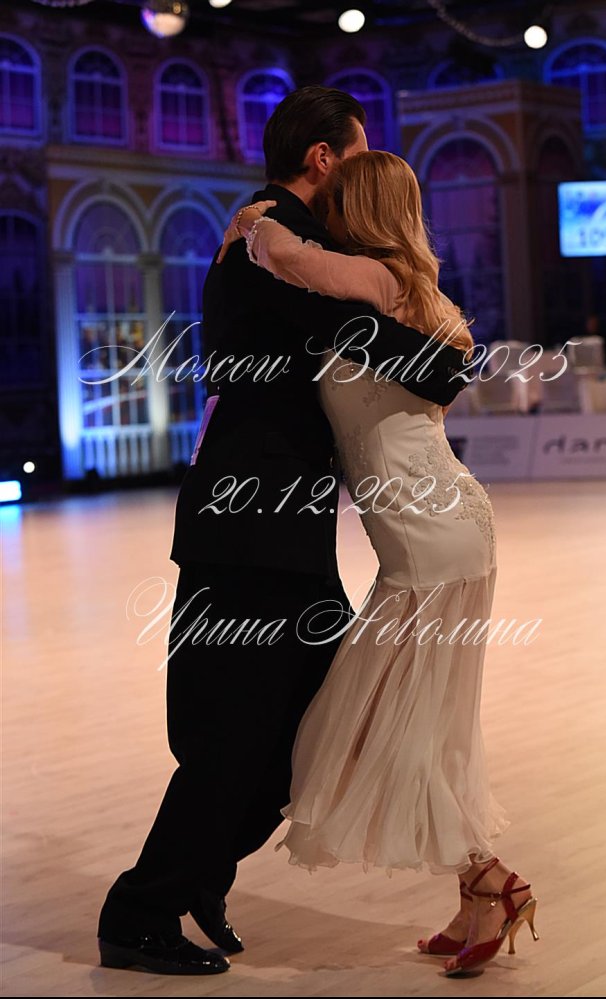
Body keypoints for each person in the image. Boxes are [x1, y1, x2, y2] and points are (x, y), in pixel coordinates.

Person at [96, 87, 469, 976]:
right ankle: (140, 911)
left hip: (278, 528)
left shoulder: (280, 240)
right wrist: (445, 356)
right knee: (236, 736)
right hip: (251, 527)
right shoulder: (272, 246)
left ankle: (197, 874)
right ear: (323, 158)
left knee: (311, 731)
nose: (364, 173)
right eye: (358, 154)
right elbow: (394, 352)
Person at [220, 149, 539, 977]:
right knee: (419, 727)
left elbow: (286, 256)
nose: (322, 213)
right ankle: (478, 891)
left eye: (336, 200)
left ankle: (492, 882)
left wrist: (255, 219)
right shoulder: (411, 291)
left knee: (364, 728)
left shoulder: (375, 281)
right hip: (443, 530)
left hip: (430, 541)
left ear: (358, 208)